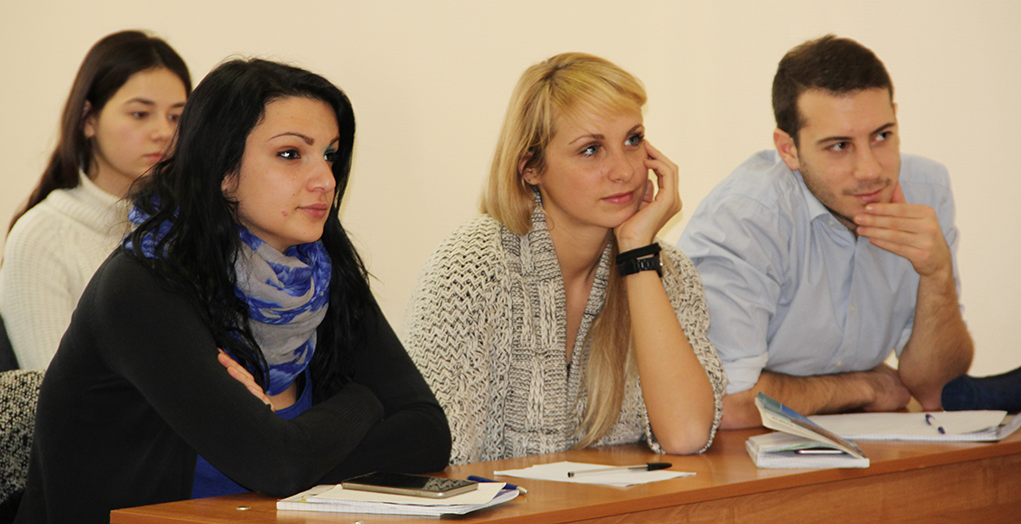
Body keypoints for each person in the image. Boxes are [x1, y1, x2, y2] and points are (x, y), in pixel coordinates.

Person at [15, 59, 451, 523]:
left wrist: (300, 446)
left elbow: (428, 434)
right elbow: (277, 464)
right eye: (291, 154)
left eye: (330, 155)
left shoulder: (319, 275)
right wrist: (364, 402)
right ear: (223, 170)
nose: (325, 179)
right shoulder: (142, 286)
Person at [403, 52, 725, 465]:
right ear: (531, 167)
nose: (625, 171)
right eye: (591, 149)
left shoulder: (667, 271)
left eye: (633, 140)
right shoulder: (471, 267)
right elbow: (436, 460)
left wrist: (637, 255)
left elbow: (687, 434)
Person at [679, 35, 973, 429]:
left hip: (864, 444)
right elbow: (724, 404)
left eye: (882, 136)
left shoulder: (926, 191)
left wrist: (937, 275)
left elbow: (937, 390)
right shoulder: (748, 217)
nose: (870, 170)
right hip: (738, 453)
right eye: (839, 145)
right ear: (788, 150)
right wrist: (863, 387)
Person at [0, 30, 191, 370]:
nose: (164, 132)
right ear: (89, 119)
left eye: (176, 116)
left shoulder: (183, 226)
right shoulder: (43, 236)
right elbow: (52, 388)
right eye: (140, 114)